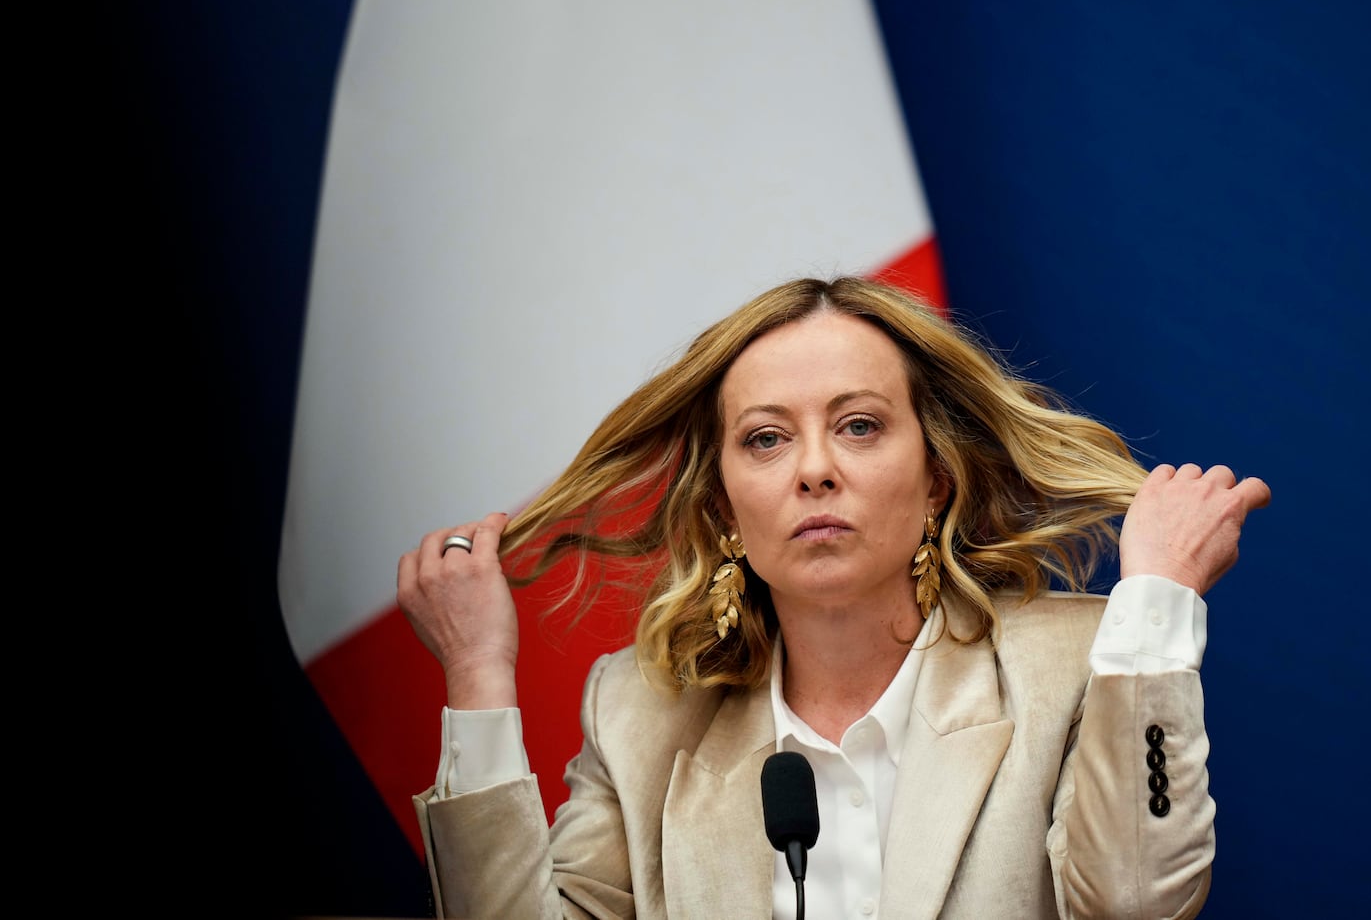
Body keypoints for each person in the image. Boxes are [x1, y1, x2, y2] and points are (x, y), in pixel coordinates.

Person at [398, 275, 1271, 919]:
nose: (815, 468)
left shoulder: (1075, 667)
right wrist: (478, 674)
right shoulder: (638, 714)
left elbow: (1135, 903)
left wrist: (1155, 602)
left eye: (858, 425)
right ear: (724, 507)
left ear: (935, 477)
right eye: (768, 438)